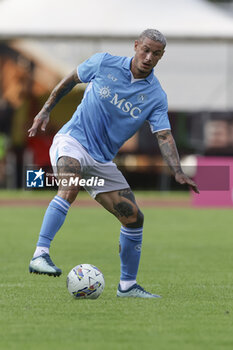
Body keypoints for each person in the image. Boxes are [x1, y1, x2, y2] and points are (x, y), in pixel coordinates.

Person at [28, 29, 199, 298]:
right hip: (73, 140)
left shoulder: (156, 96)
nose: (148, 56)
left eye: (156, 53)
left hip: (101, 160)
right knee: (69, 187)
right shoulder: (103, 62)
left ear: (161, 56)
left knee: (133, 218)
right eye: (145, 49)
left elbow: (164, 135)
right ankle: (40, 253)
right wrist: (46, 109)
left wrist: (177, 172)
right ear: (135, 46)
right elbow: (71, 80)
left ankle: (128, 287)